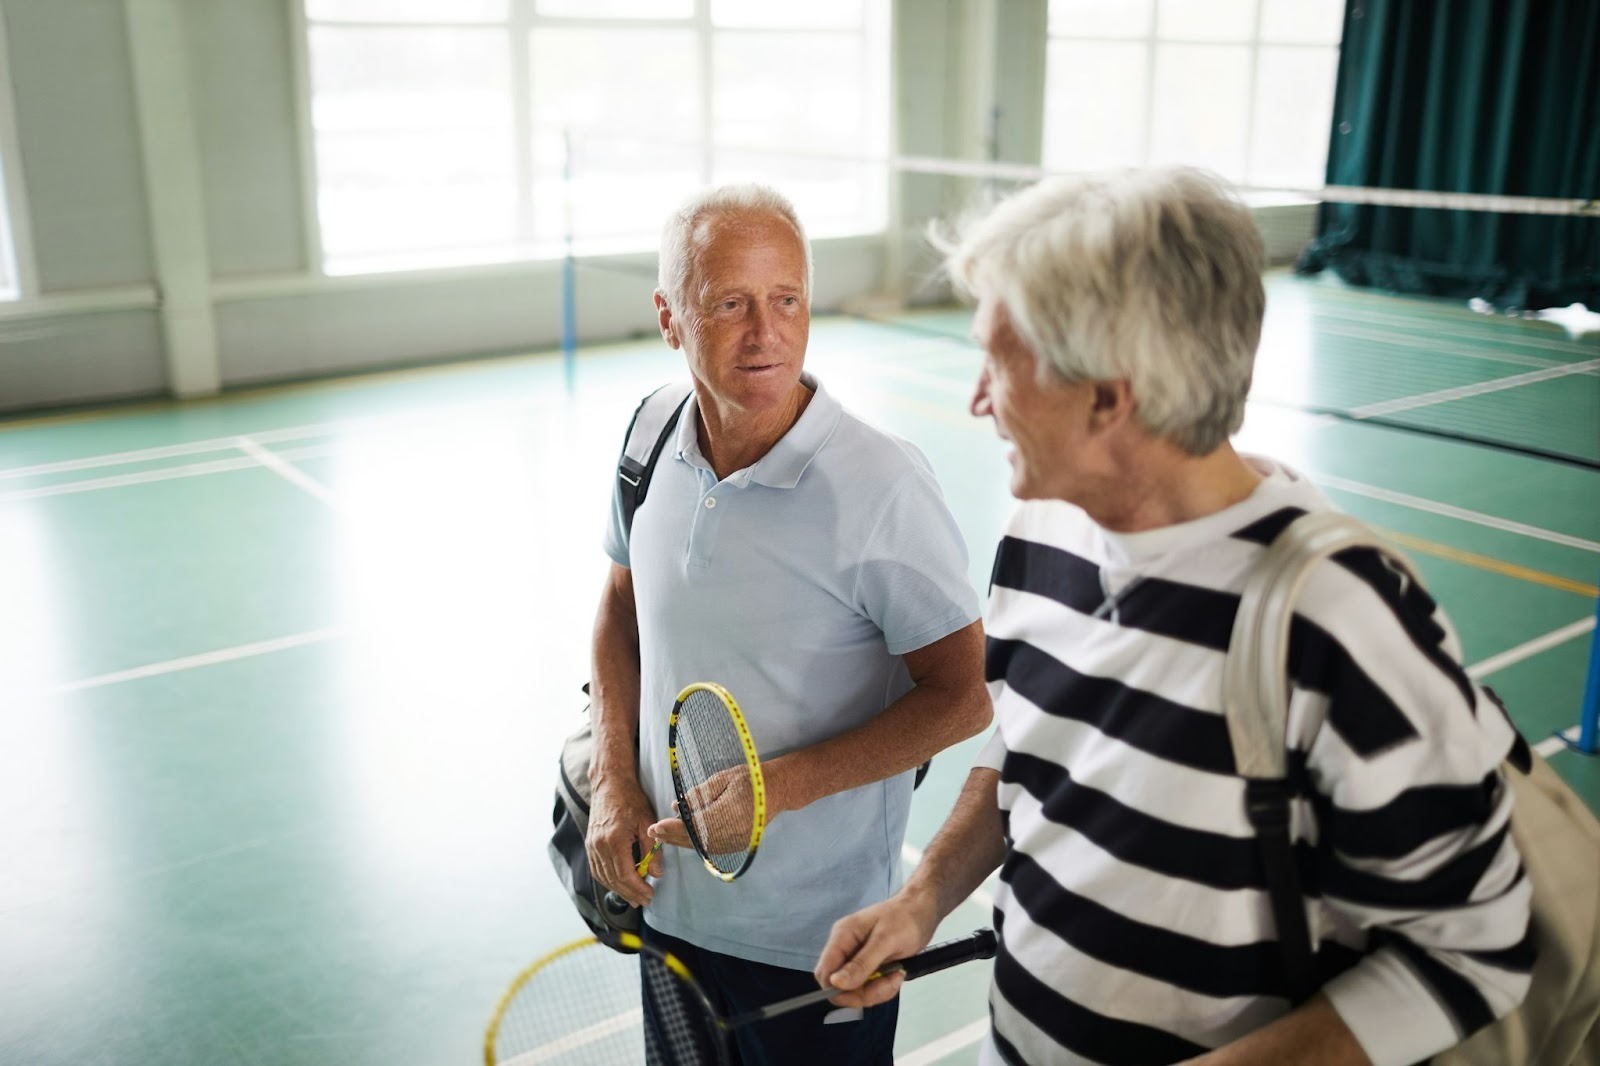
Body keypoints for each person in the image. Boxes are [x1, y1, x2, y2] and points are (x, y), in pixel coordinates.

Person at [813, 167, 1535, 1066]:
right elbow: (1026, 755)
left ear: (1109, 396)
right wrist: (923, 897)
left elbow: (1475, 949)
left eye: (1000, 361)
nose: (978, 398)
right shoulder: (1042, 533)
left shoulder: (1335, 620)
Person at [585, 182, 991, 1065]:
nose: (765, 334)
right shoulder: (650, 435)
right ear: (669, 316)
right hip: (669, 906)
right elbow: (621, 610)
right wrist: (616, 779)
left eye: (787, 300)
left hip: (818, 941)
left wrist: (778, 790)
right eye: (730, 304)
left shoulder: (880, 486)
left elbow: (963, 697)